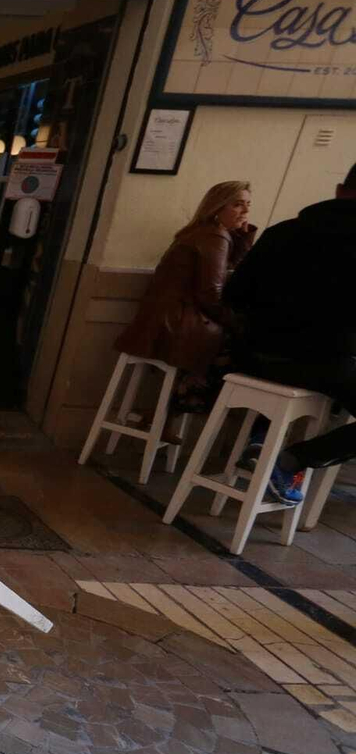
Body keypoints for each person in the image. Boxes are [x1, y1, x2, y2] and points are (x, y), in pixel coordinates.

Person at [224, 161, 356, 505]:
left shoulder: (281, 232)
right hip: (323, 364)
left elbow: (234, 295)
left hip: (252, 356)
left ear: (340, 191)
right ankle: (291, 461)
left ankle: (262, 437)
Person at [113, 180, 256, 419]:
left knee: (227, 342)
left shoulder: (201, 232)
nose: (245, 212)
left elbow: (226, 271)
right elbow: (211, 296)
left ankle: (164, 415)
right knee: (237, 349)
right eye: (238, 204)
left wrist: (242, 238)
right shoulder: (215, 237)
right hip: (177, 323)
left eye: (248, 205)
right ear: (218, 207)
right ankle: (166, 414)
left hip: (159, 320)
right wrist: (238, 324)